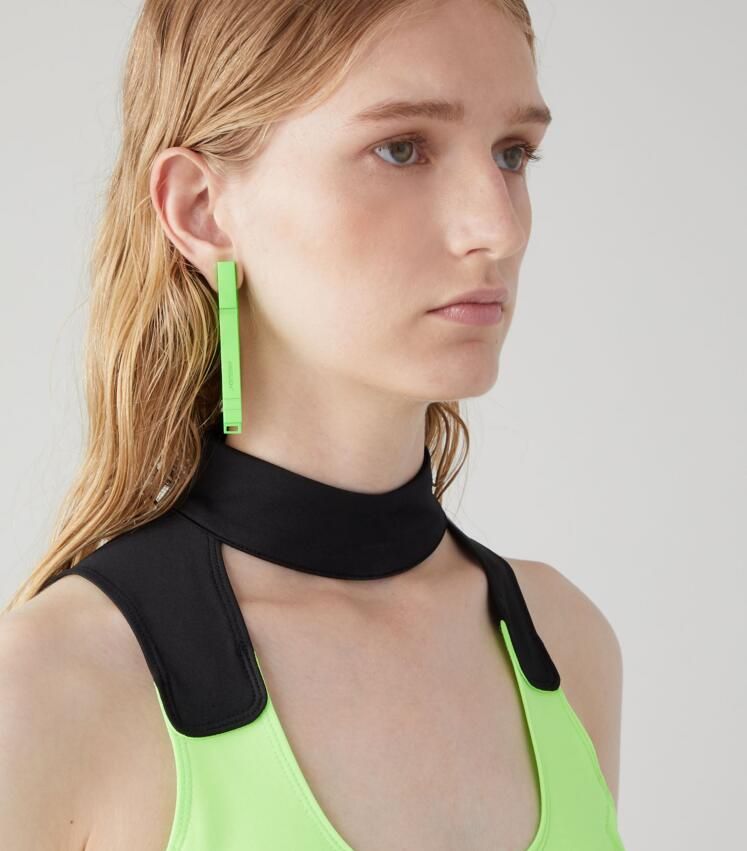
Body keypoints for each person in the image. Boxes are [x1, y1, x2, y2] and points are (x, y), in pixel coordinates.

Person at [0, 0, 624, 849]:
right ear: (202, 210)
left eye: (512, 152)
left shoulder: (562, 647)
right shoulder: (55, 687)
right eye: (402, 148)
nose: (498, 228)